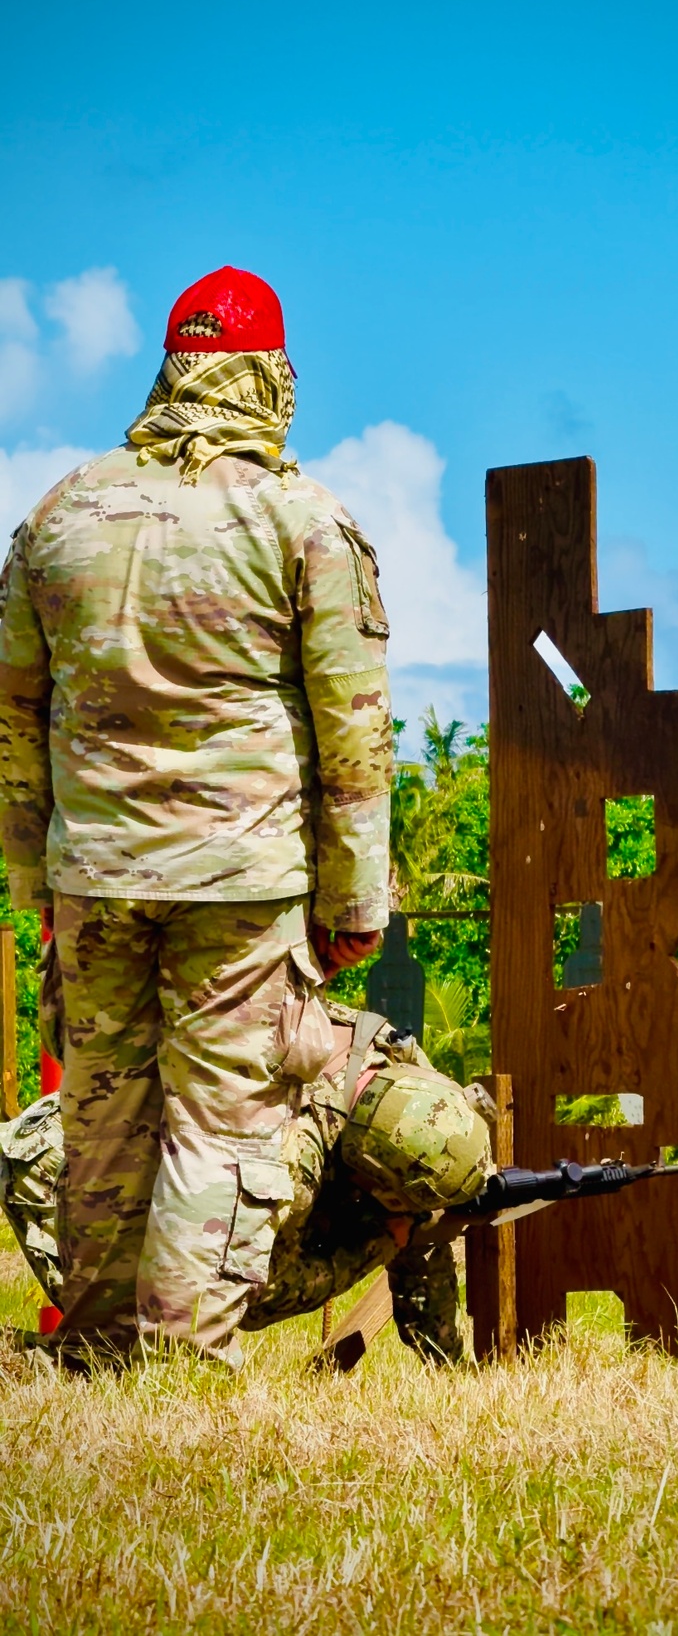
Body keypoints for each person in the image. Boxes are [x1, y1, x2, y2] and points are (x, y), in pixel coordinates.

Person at [0, 267, 394, 1366]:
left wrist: (35, 883)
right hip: (242, 883)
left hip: (93, 877)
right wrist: (356, 902)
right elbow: (353, 734)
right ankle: (177, 1369)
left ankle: (94, 1348)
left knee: (102, 1119)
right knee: (220, 1125)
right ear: (269, 374)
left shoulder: (59, 513)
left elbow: (13, 718)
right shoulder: (300, 518)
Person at [0, 1005, 495, 1370]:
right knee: (119, 1356)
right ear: (372, 1178)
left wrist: (449, 1366)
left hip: (146, 1145)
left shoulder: (411, 1082)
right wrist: (380, 1242)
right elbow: (252, 1295)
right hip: (69, 1159)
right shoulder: (292, 1160)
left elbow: (424, 1232)